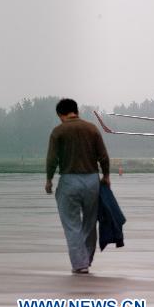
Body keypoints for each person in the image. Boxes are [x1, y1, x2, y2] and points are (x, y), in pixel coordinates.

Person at [45, 98, 110, 274]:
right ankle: (87, 259)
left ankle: (80, 264)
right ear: (76, 111)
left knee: (71, 224)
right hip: (91, 180)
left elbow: (52, 160)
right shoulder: (92, 129)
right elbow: (103, 156)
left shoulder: (58, 131)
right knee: (89, 223)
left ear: (60, 114)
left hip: (69, 180)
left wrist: (49, 179)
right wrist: (107, 176)